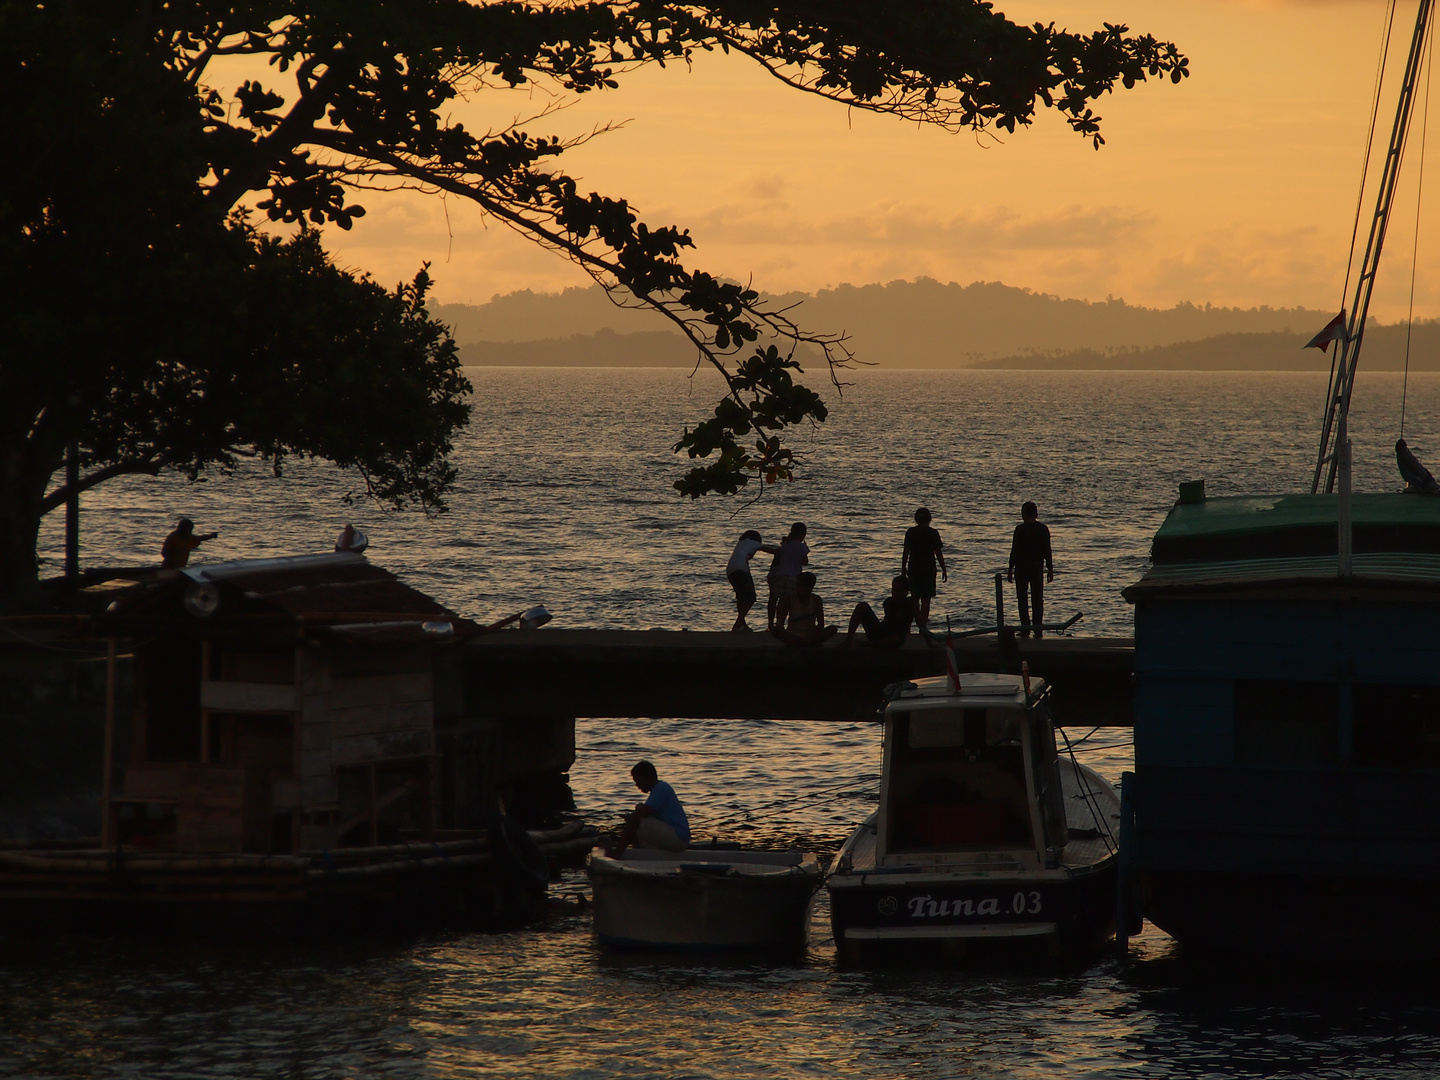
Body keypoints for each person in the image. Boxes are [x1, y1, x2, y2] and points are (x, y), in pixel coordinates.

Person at [611, 760, 690, 855]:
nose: (637, 785)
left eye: (639, 780)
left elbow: (643, 813)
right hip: (676, 838)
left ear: (649, 778)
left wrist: (632, 817)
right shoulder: (657, 790)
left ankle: (616, 854)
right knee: (636, 829)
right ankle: (640, 855)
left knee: (634, 820)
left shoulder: (661, 787)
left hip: (678, 837)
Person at [1008, 501, 1054, 638]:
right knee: (1037, 598)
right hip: (1036, 567)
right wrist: (1050, 568)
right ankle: (1037, 628)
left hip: (1022, 567)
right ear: (1036, 514)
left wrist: (1010, 568)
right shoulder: (1042, 529)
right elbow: (1047, 550)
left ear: (1023, 515)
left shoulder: (1020, 529)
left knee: (1022, 598)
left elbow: (1014, 550)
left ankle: (1025, 627)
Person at [901, 507, 947, 629]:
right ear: (929, 519)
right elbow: (938, 553)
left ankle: (908, 627)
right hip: (928, 569)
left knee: (914, 600)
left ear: (916, 519)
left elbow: (906, 552)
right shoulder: (933, 533)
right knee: (926, 601)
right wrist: (943, 568)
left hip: (914, 569)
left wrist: (903, 568)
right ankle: (923, 629)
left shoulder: (910, 532)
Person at [844, 576, 918, 649]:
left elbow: (920, 624)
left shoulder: (911, 604)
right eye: (893, 590)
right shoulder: (889, 602)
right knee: (862, 606)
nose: (895, 593)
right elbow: (889, 622)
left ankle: (868, 644)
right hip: (881, 632)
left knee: (896, 639)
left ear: (906, 591)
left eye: (898, 590)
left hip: (896, 636)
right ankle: (848, 640)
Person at [726, 530, 779, 632]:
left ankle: (742, 624)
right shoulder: (754, 543)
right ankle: (737, 624)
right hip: (741, 569)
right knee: (751, 598)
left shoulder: (740, 543)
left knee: (740, 597)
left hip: (730, 570)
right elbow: (772, 551)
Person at [772, 571, 838, 646]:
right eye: (798, 585)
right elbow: (780, 623)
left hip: (810, 634)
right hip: (793, 634)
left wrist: (809, 635)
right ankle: (805, 643)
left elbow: (820, 625)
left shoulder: (816, 600)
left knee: (833, 629)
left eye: (802, 586)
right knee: (775, 630)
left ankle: (802, 643)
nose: (798, 588)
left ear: (810, 587)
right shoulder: (790, 599)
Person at [767, 522, 809, 630]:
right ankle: (782, 624)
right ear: (803, 534)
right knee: (788, 603)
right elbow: (805, 562)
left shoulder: (785, 545)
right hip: (793, 577)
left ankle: (771, 625)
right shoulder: (801, 547)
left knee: (774, 600)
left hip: (779, 575)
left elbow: (777, 559)